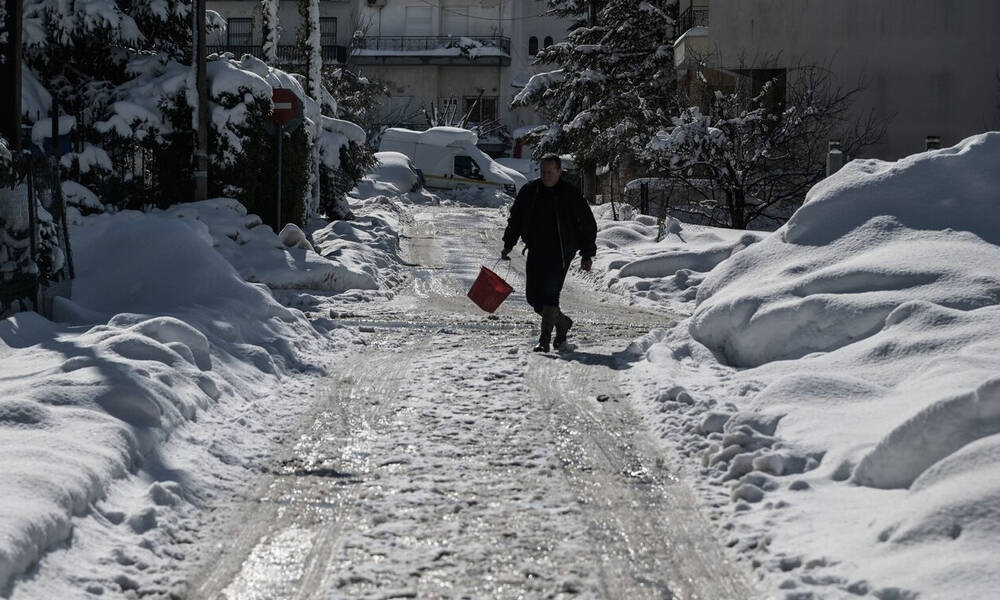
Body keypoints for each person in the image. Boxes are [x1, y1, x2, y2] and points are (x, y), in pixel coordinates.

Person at [501, 153, 597, 352]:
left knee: (551, 294)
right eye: (543, 172)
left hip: (561, 252)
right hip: (537, 249)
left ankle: (544, 341)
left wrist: (587, 254)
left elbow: (588, 225)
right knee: (534, 298)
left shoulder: (570, 194)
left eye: (550, 172)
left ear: (560, 172)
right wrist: (509, 242)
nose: (546, 176)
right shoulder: (530, 191)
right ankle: (562, 323)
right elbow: (516, 218)